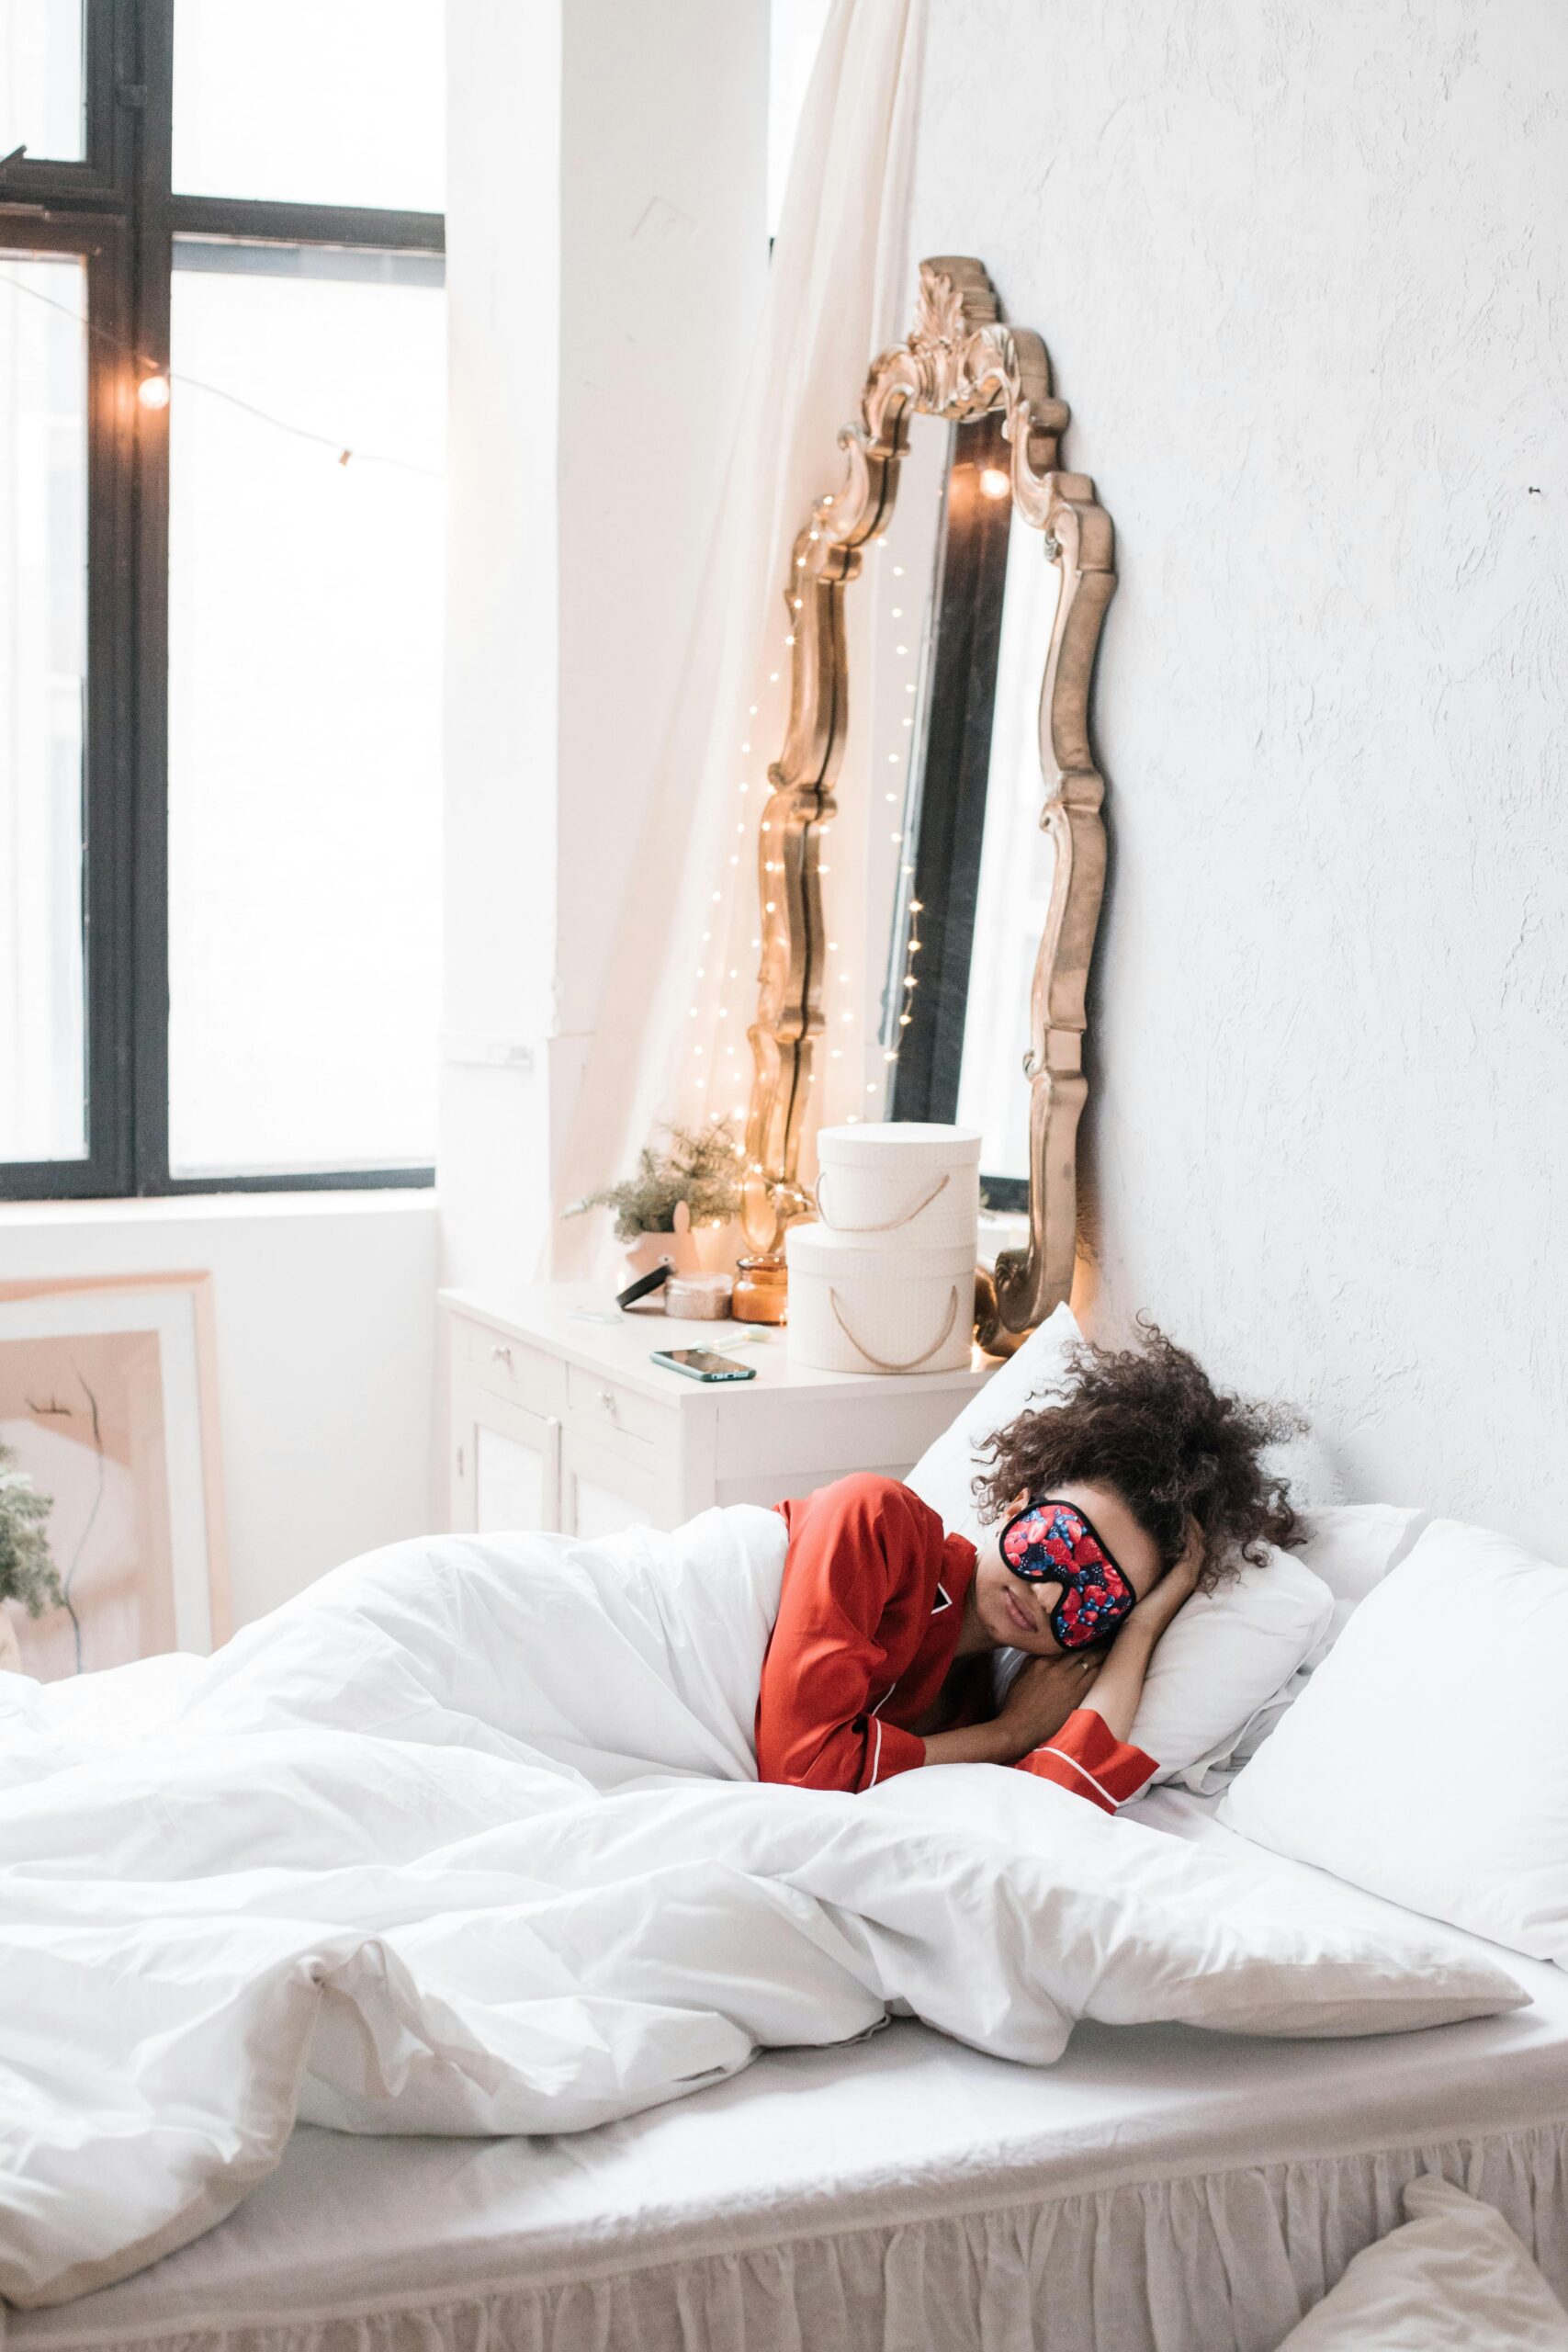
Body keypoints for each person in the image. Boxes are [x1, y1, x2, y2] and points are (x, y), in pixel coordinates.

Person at [755, 1326, 1302, 1814]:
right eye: (1057, 1546)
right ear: (1017, 1505)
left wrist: (1141, 1627)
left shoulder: (968, 1706)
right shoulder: (878, 1520)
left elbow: (1052, 1811)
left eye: (1097, 1596)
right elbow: (800, 1777)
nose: (1045, 1597)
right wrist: (1010, 1732)